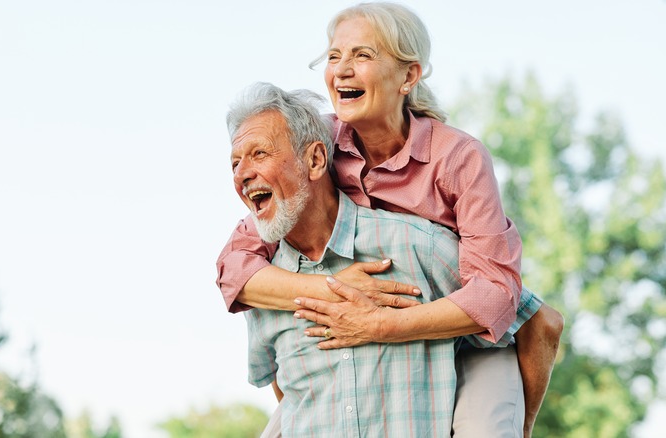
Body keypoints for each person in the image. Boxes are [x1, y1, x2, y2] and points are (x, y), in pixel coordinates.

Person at [217, 2, 563, 436]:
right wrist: (335, 290)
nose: (341, 70)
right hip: (367, 338)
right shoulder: (316, 144)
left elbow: (495, 296)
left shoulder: (456, 157)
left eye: (362, 55)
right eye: (334, 56)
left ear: (409, 76)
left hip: (464, 331)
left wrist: (378, 325)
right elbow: (235, 266)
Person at [230, 81, 484, 436]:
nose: (242, 174)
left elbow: (523, 319)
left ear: (315, 160)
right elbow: (286, 393)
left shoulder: (417, 246)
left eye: (259, 154)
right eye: (235, 162)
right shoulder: (262, 290)